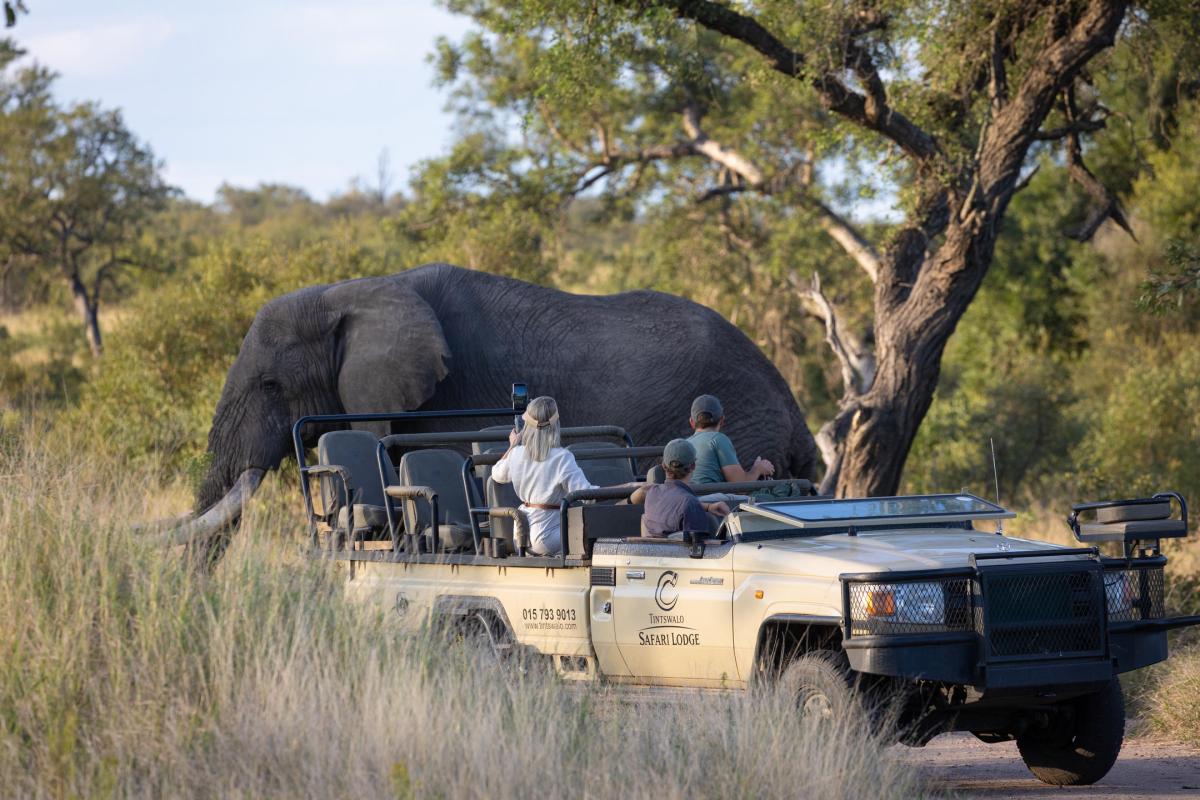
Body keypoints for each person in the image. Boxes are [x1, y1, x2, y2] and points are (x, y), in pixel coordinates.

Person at [491, 396, 597, 556]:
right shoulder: (562, 457)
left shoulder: (516, 453)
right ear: (555, 424)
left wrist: (513, 445)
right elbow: (587, 494)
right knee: (599, 530)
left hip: (521, 536)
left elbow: (496, 473)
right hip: (549, 537)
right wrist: (624, 489)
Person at [639, 439, 730, 537]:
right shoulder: (690, 504)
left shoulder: (651, 493)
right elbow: (699, 549)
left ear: (664, 466)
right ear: (693, 466)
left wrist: (708, 507)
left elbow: (674, 503)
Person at [686, 394, 775, 485]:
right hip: (713, 498)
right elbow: (740, 486)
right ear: (722, 420)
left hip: (691, 497)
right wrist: (758, 469)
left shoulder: (684, 444)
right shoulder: (718, 439)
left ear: (692, 422)